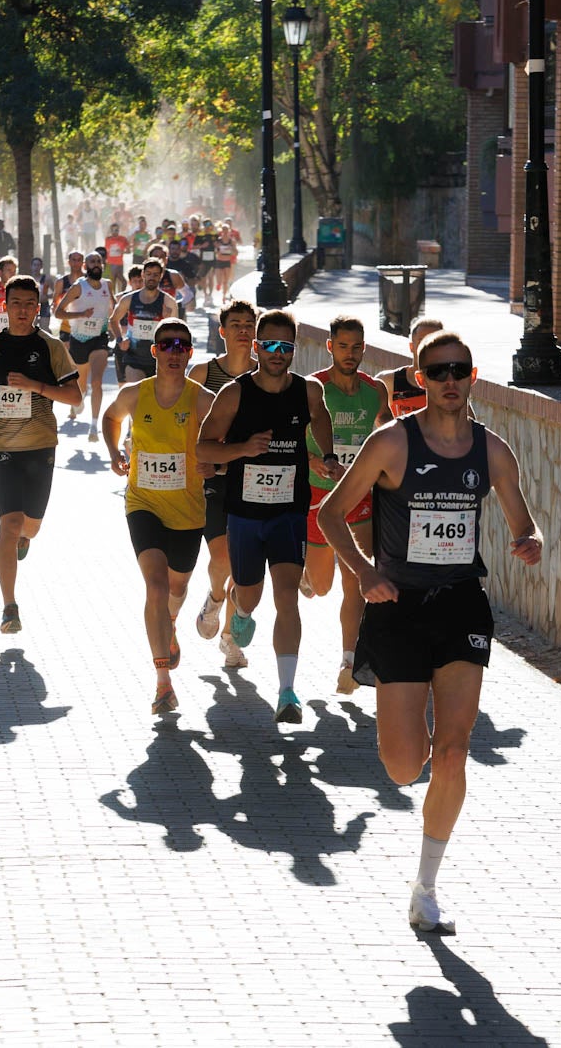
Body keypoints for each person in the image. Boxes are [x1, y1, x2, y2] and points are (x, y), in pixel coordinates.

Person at [318, 330, 542, 935]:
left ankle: (427, 886)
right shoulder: (391, 442)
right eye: (437, 371)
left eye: (458, 370)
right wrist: (365, 574)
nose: (449, 380)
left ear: (473, 376)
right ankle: (401, 737)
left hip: (462, 605)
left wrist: (531, 541)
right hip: (399, 607)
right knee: (401, 766)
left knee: (454, 748)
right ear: (420, 379)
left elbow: (524, 521)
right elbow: (331, 513)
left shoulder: (493, 452)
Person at [195, 310, 340, 724]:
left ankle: (288, 691)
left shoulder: (308, 391)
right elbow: (205, 449)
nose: (278, 354)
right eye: (270, 345)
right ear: (256, 346)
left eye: (286, 347)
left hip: (288, 510)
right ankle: (239, 613)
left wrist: (327, 456)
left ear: (295, 349)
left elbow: (322, 417)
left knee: (287, 597)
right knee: (251, 594)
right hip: (243, 512)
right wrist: (242, 450)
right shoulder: (235, 394)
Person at [101, 319, 215, 714]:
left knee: (176, 590)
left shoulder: (202, 400)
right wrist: (115, 452)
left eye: (182, 346)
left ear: (190, 353)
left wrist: (213, 466)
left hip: (187, 510)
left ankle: (171, 627)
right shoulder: (135, 394)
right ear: (154, 351)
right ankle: (163, 682)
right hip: (143, 503)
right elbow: (110, 418)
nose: (174, 352)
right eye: (166, 345)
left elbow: (222, 440)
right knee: (155, 587)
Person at [0, 276, 83, 634]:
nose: (21, 310)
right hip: (3, 447)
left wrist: (36, 386)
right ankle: (9, 606)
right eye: (15, 303)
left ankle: (25, 538)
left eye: (28, 304)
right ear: (5, 305)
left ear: (37, 308)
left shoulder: (50, 347)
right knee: (8, 523)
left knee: (29, 526)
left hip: (40, 446)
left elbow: (75, 397)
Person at [303, 315, 392, 694]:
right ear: (330, 347)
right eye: (343, 347)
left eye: (356, 347)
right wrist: (314, 462)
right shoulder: (313, 388)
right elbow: (291, 439)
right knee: (321, 587)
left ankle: (348, 660)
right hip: (317, 498)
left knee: (356, 580)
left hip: (358, 497)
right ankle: (308, 576)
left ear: (364, 348)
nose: (350, 354)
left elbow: (387, 434)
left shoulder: (375, 391)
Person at [187, 299, 258, 669]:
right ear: (223, 331)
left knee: (244, 565)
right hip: (215, 478)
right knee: (223, 557)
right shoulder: (202, 374)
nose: (244, 330)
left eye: (250, 324)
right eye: (236, 324)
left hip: (257, 482)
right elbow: (184, 424)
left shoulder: (267, 376)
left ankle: (230, 638)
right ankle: (216, 597)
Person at [52, 251, 115, 440]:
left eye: (99, 261)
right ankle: (77, 403)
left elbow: (113, 307)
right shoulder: (78, 287)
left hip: (99, 339)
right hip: (79, 339)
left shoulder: (107, 285)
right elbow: (58, 312)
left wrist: (115, 324)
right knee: (82, 387)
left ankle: (94, 426)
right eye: (92, 262)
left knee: (97, 382)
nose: (96, 264)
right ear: (86, 266)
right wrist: (80, 315)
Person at [109, 258, 180, 387]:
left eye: (155, 275)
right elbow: (113, 320)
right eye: (148, 274)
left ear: (161, 276)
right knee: (136, 395)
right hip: (133, 357)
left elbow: (177, 335)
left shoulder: (168, 302)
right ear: (143, 275)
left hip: (159, 359)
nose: (151, 278)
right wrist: (120, 339)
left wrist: (167, 320)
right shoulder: (129, 299)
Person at [377, 315, 445, 417]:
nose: (427, 346)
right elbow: (377, 418)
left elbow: (469, 425)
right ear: (411, 347)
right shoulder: (388, 381)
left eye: (434, 341)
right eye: (421, 341)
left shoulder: (451, 384)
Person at [104, 223, 129, 289]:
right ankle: (113, 297)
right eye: (113, 230)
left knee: (122, 283)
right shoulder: (108, 239)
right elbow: (106, 251)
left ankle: (120, 297)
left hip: (119, 263)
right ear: (111, 230)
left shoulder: (123, 239)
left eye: (116, 230)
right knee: (112, 283)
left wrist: (123, 251)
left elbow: (129, 250)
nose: (115, 231)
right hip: (110, 263)